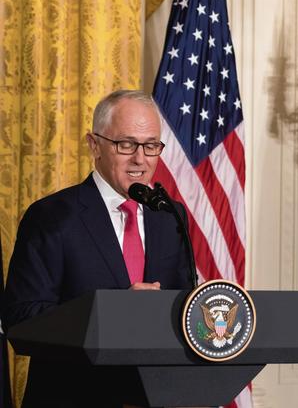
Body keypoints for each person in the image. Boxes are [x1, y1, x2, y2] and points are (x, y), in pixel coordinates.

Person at [2, 89, 193, 407]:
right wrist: (114, 314)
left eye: (150, 146)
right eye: (126, 144)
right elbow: (21, 319)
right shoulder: (51, 216)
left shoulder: (170, 215)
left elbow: (182, 303)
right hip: (73, 396)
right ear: (94, 145)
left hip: (156, 397)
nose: (140, 159)